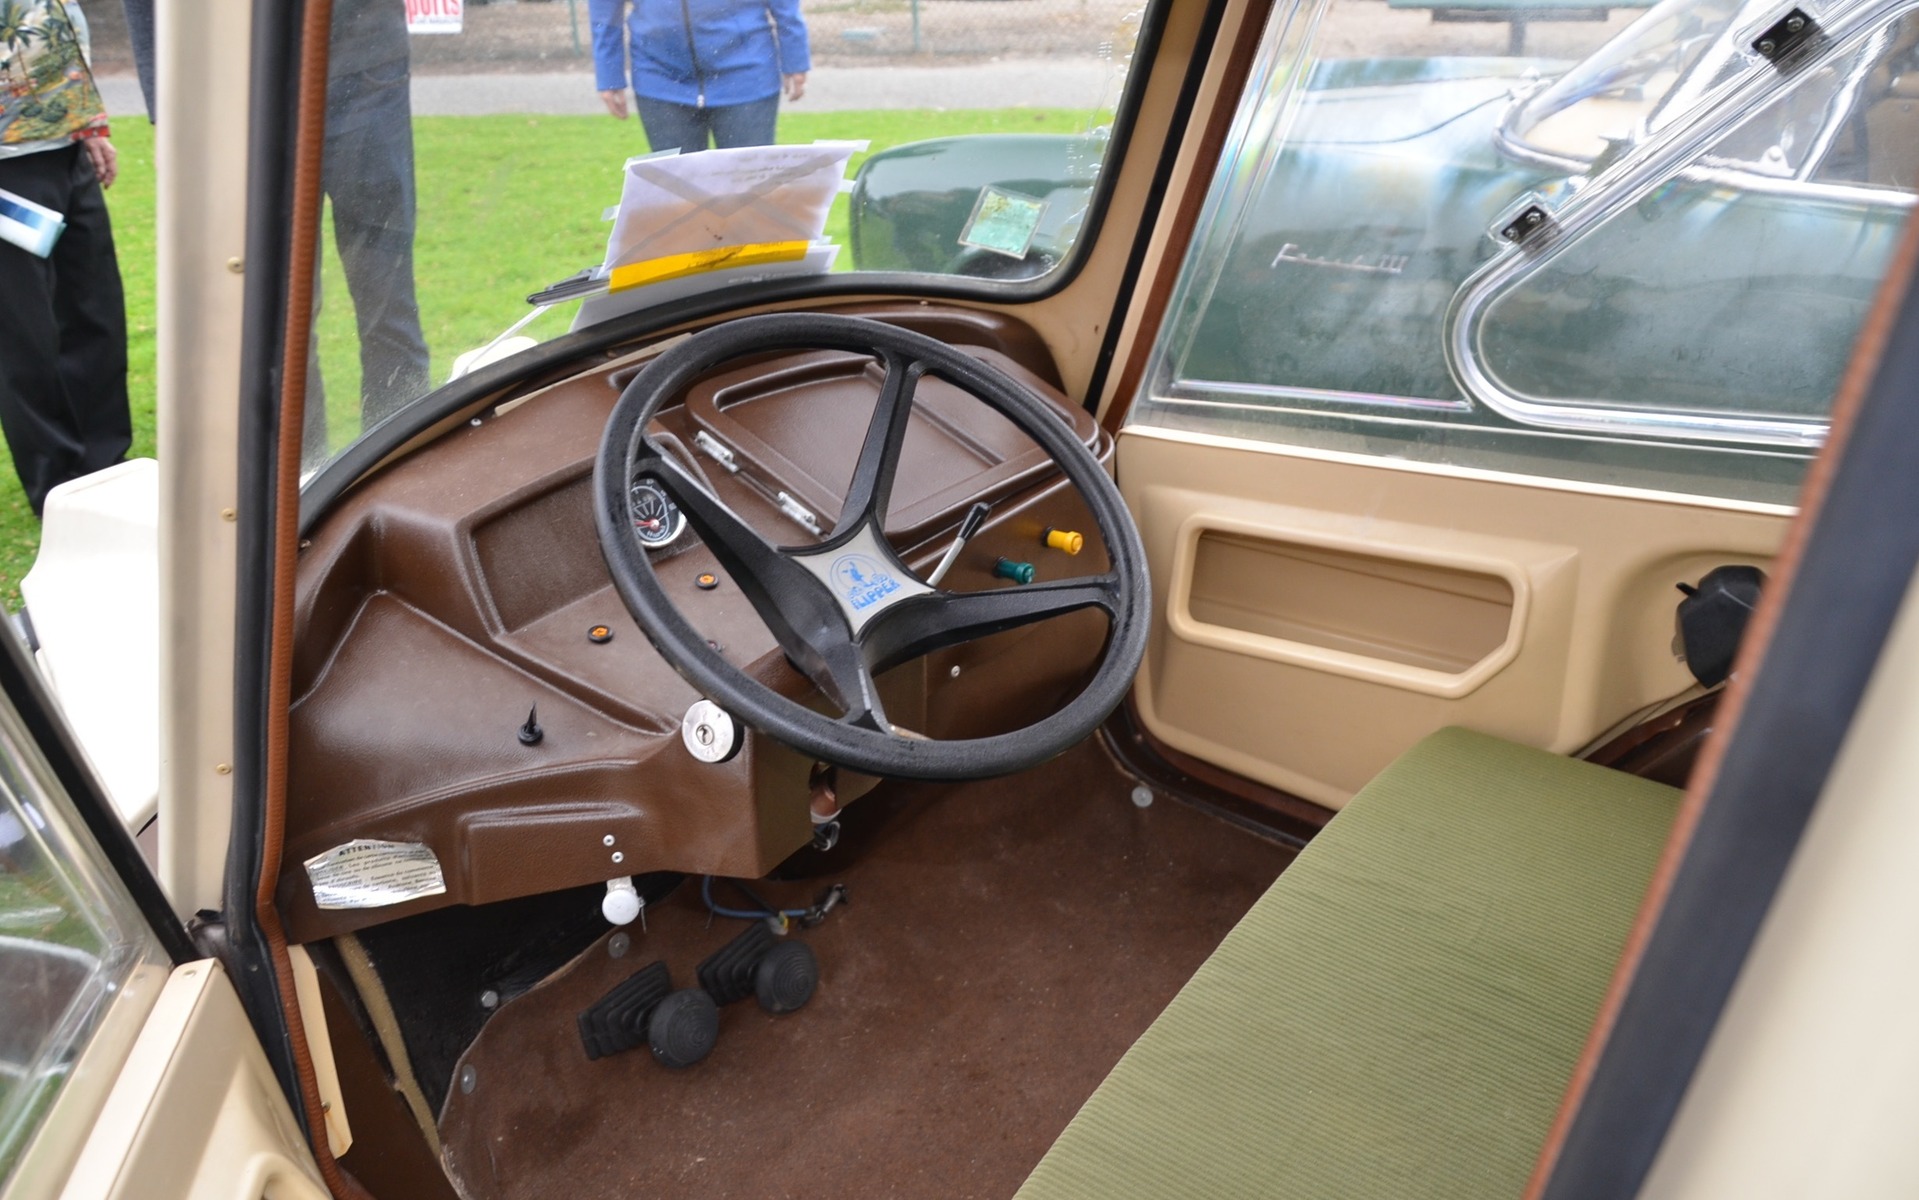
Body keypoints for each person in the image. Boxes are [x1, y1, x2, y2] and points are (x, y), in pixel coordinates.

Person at [0, 0, 131, 516]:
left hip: (65, 147)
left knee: (95, 313)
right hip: (8, 171)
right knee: (25, 335)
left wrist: (92, 126)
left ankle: (106, 466)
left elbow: (60, 29)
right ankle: (57, 487)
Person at [303, 0, 432, 465]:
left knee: (389, 299)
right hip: (252, 82)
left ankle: (401, 469)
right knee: (280, 319)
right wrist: (169, 106)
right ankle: (297, 486)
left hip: (368, 70)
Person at [590, 0, 810, 155]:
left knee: (748, 198)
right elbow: (604, 11)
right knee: (678, 201)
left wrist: (795, 56)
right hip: (659, 79)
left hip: (746, 75)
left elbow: (787, 7)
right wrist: (608, 72)